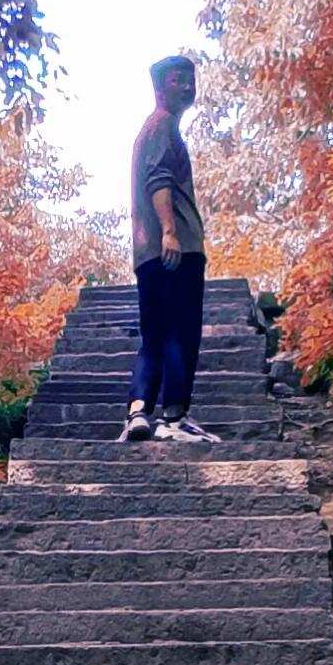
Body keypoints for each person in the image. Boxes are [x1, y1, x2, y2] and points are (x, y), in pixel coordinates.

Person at [123, 49, 212, 442]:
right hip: (175, 248)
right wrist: (171, 232)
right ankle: (174, 418)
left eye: (190, 78)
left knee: (154, 333)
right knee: (181, 330)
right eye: (179, 79)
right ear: (160, 87)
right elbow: (158, 179)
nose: (188, 85)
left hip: (147, 253)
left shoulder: (151, 128)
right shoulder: (161, 126)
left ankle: (138, 412)